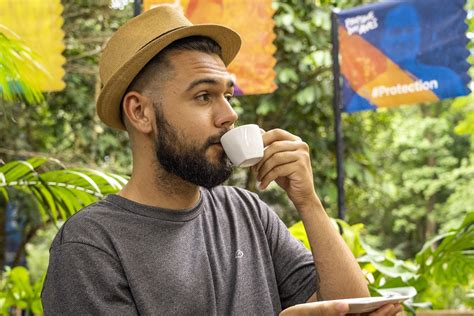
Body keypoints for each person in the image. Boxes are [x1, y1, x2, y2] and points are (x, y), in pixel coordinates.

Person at [41, 5, 403, 315]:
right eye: (203, 96)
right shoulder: (90, 246)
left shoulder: (247, 212)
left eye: (228, 96)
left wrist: (308, 202)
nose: (228, 115)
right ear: (140, 112)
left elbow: (349, 306)